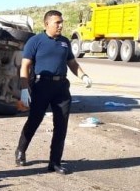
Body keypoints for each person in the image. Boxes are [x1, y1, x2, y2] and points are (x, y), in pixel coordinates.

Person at [15, 10, 93, 175]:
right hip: (41, 85)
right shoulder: (35, 41)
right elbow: (25, 66)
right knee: (34, 120)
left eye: (61, 22)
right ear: (47, 24)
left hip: (61, 88)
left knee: (61, 126)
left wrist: (83, 75)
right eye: (57, 22)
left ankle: (55, 162)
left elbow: (72, 63)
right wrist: (23, 89)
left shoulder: (65, 42)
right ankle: (21, 150)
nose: (61, 25)